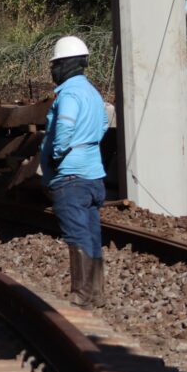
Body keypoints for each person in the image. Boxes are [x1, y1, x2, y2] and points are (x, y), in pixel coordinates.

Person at [39, 36, 109, 308]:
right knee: (91, 233)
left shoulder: (68, 94)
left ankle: (81, 295)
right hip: (93, 176)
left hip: (71, 179)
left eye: (55, 64)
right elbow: (103, 124)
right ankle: (97, 293)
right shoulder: (92, 92)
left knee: (76, 234)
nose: (53, 70)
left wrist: (57, 155)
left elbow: (65, 126)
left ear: (65, 64)